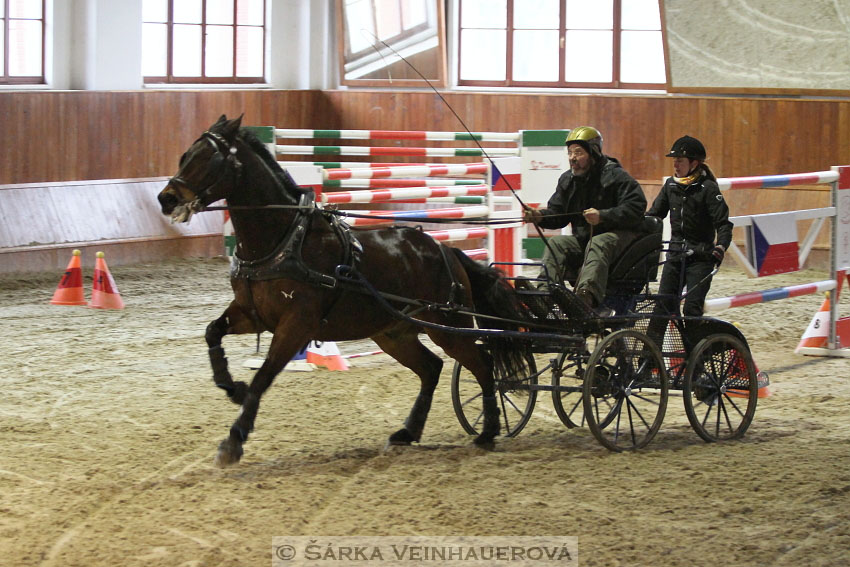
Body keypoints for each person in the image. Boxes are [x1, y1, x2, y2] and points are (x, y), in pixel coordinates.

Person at [523, 126, 647, 313]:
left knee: (598, 242)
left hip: (618, 242)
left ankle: (584, 299)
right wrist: (539, 216)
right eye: (570, 153)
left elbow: (636, 207)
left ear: (594, 152)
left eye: (578, 153)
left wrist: (603, 216)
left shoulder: (617, 176)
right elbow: (557, 214)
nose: (572, 158)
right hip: (585, 241)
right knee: (557, 243)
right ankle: (545, 296)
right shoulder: (568, 180)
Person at [646, 135, 732, 329]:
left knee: (692, 310)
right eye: (674, 161)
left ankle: (694, 356)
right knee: (661, 309)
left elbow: (724, 224)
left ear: (694, 163)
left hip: (700, 259)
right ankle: (650, 358)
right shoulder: (671, 185)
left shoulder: (708, 189)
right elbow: (655, 215)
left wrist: (720, 247)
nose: (676, 165)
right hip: (675, 256)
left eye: (680, 161)